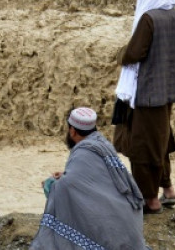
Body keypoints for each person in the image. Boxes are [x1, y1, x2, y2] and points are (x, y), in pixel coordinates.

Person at [111, 0, 175, 213]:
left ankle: (149, 201)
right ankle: (168, 189)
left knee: (143, 146)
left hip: (146, 92)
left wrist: (120, 52)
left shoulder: (149, 18)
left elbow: (133, 54)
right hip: (167, 91)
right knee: (161, 141)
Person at [31, 107, 148, 250]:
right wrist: (66, 176)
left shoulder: (82, 152)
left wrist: (50, 183)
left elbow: (64, 189)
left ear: (72, 131)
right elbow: (97, 180)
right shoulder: (103, 144)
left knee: (57, 192)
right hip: (131, 230)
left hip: (113, 238)